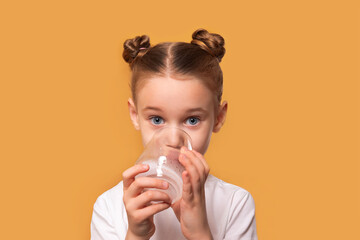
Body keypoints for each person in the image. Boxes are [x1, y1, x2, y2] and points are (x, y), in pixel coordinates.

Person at [90, 28, 258, 240]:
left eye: (192, 120)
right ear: (135, 115)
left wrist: (199, 232)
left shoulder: (235, 203)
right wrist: (135, 234)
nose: (173, 139)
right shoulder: (109, 206)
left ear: (218, 117)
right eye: (157, 120)